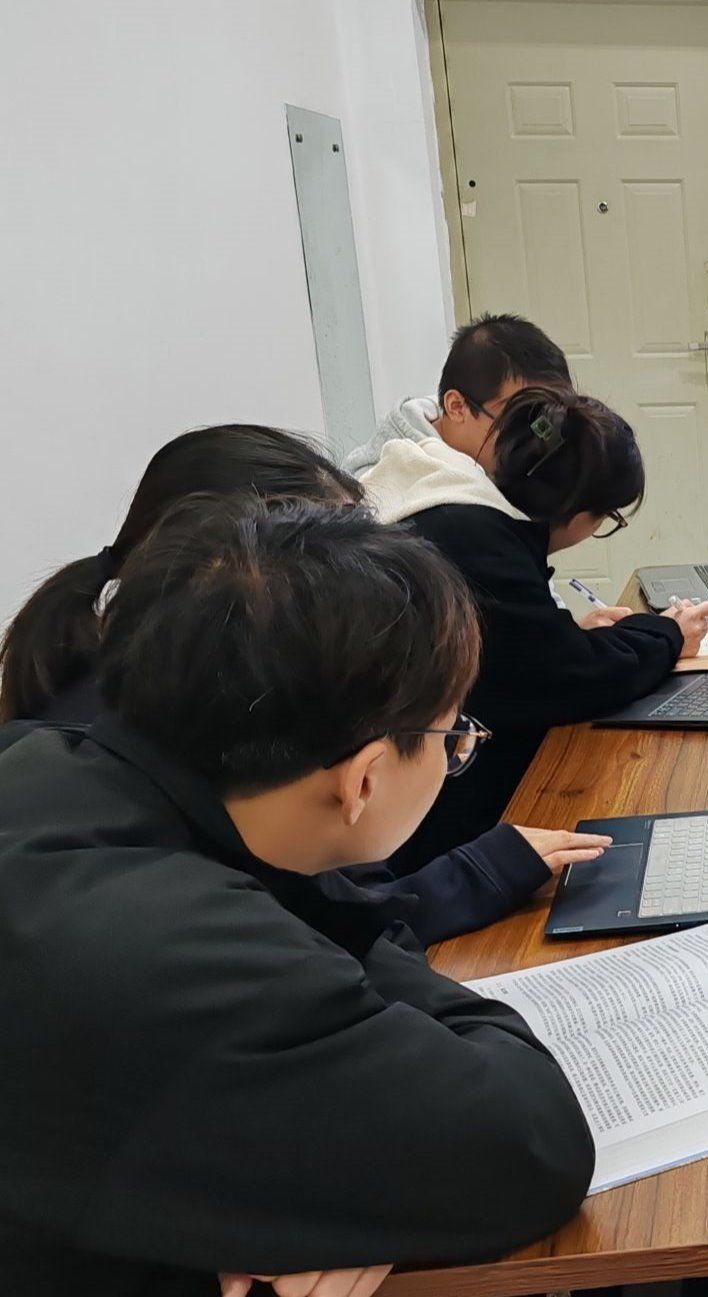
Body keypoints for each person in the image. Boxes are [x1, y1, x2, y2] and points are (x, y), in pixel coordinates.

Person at [0, 500, 594, 1296]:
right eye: (454, 736)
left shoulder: (40, 763)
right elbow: (533, 1142)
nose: (456, 752)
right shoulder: (195, 954)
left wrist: (277, 1214)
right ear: (364, 779)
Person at [0, 423, 612, 945]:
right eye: (329, 557)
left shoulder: (151, 693)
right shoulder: (138, 752)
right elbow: (306, 933)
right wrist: (476, 875)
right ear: (236, 570)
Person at [364, 386, 708, 870]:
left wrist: (563, 635)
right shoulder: (479, 541)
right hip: (421, 842)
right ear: (580, 514)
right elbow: (570, 679)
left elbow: (526, 654)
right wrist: (669, 635)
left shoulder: (444, 490)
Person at [342, 312, 573, 474]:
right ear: (457, 407)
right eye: (516, 422)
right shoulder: (382, 486)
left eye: (542, 423)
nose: (533, 441)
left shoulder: (495, 459)